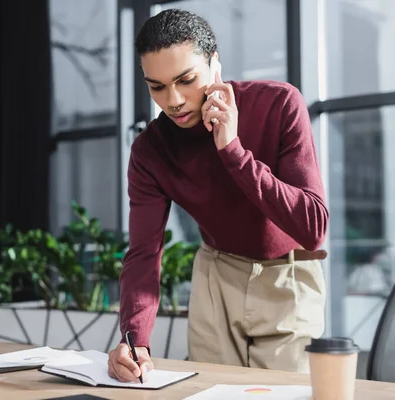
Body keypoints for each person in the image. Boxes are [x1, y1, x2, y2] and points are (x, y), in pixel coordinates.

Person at [107, 9, 329, 383]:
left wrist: (233, 152)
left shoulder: (279, 104)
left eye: (186, 79)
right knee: (210, 392)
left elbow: (313, 227)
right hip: (216, 278)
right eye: (157, 86)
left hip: (288, 279)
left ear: (215, 66)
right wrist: (136, 339)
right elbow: (144, 252)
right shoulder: (150, 150)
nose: (173, 100)